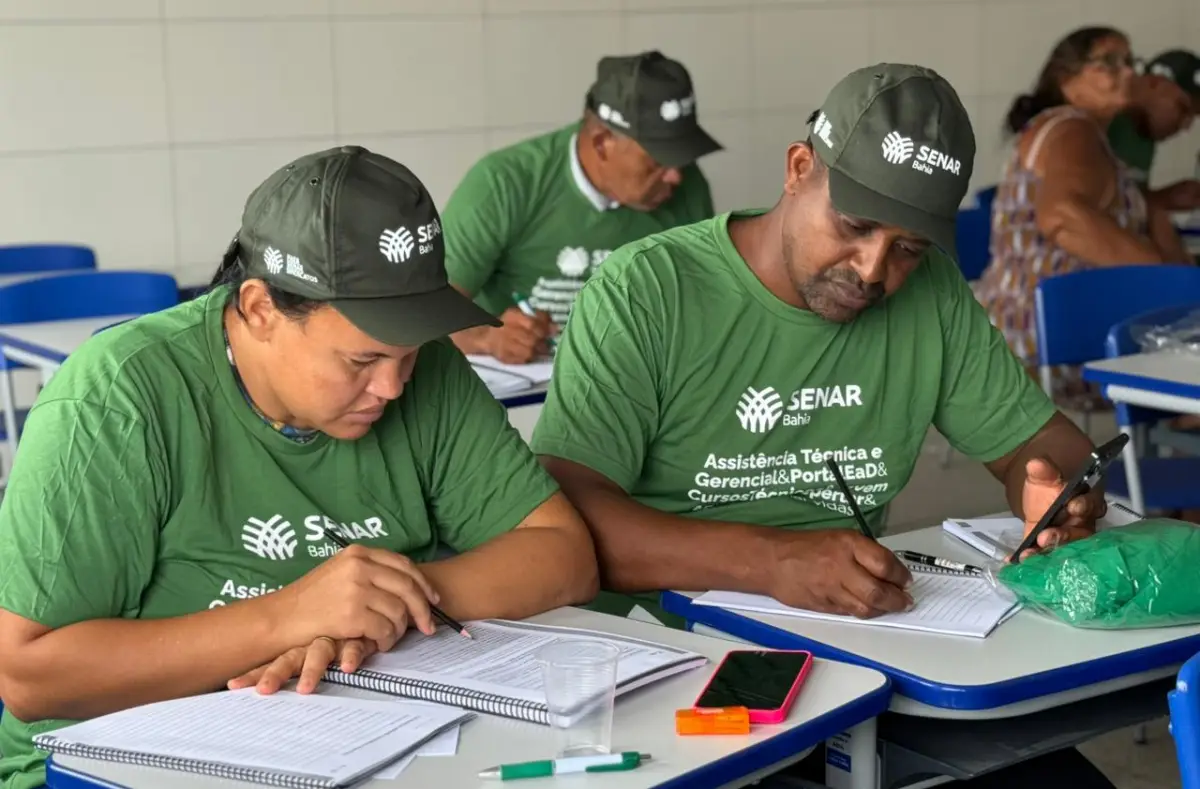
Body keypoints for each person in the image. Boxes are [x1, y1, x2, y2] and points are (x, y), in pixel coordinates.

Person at [530, 63, 1116, 788]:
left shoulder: (928, 297)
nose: (873, 269)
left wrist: (1057, 490)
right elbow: (568, 512)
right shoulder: (649, 289)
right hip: (674, 672)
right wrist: (776, 561)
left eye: (908, 247)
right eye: (855, 225)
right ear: (799, 168)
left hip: (860, 653)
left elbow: (1040, 441)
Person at [0, 146, 599, 789]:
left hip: (358, 742)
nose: (394, 387)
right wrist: (291, 616)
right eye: (361, 362)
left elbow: (565, 556)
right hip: (104, 765)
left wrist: (379, 609)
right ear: (259, 309)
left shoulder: (425, 372)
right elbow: (30, 677)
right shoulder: (117, 398)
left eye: (411, 355)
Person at [443, 50, 721, 364]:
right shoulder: (505, 182)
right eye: (658, 160)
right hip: (527, 392)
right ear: (603, 142)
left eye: (683, 156)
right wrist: (487, 338)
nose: (676, 175)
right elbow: (423, 310)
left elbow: (707, 306)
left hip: (637, 382)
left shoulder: (688, 186)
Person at [974, 27, 1190, 410]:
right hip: (1045, 338)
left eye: (1129, 61)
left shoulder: (1078, 131)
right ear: (1066, 77)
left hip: (1029, 332)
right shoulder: (1071, 129)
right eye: (1109, 62)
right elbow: (1063, 216)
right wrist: (1165, 278)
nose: (1126, 72)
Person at [1107, 49, 1200, 211]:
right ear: (1154, 83)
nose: (1186, 127)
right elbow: (1085, 208)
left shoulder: (1145, 135)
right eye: (1183, 108)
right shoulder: (1105, 122)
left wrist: (1164, 199)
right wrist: (1160, 200)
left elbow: (1127, 209)